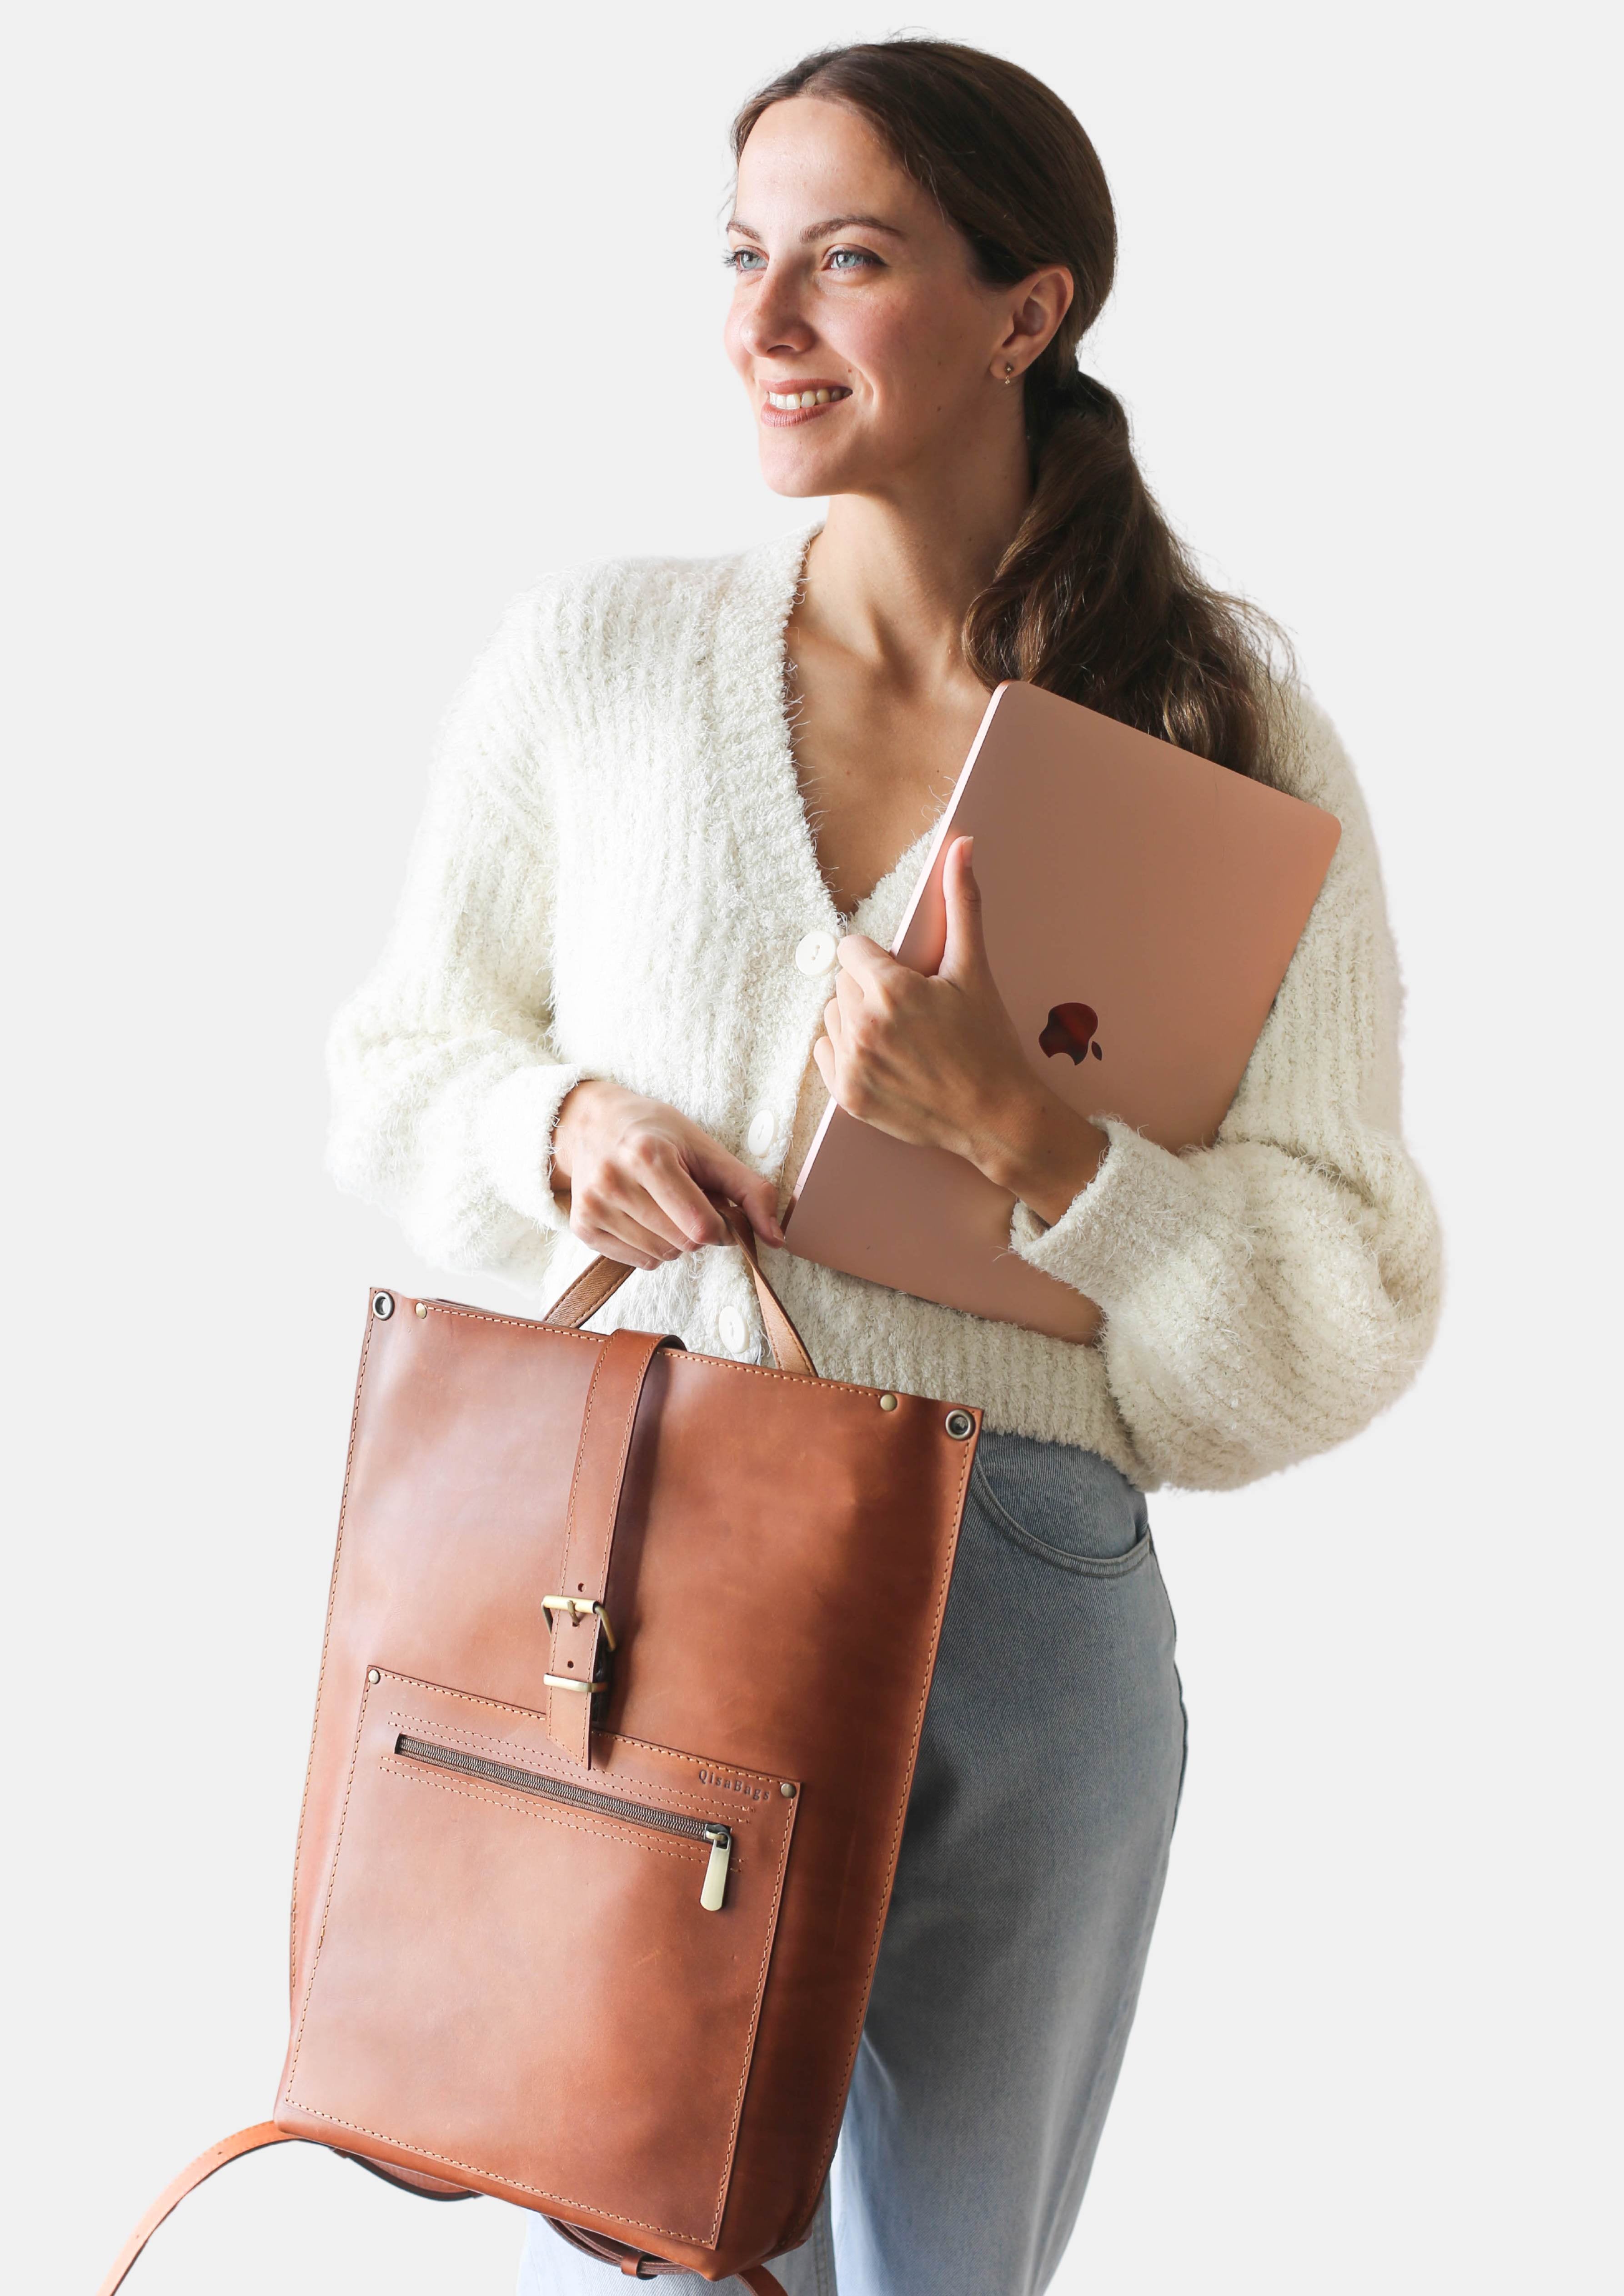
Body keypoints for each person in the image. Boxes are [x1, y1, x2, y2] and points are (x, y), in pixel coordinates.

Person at [326, 37, 1442, 2296]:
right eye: (742, 258)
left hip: (1024, 1593)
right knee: (657, 2252)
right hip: (646, 1580)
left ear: (1026, 309)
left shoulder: (1217, 735)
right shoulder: (601, 663)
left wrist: (1038, 1146)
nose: (761, 325)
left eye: (844, 261)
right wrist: (557, 1127)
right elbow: (395, 1069)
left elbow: (1338, 1308)